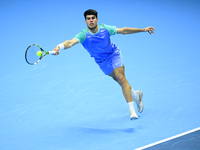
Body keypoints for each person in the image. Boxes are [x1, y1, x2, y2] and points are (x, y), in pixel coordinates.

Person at [52, 9, 155, 120]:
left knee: (121, 78)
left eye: (92, 18)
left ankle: (132, 111)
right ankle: (135, 95)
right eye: (88, 19)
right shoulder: (83, 34)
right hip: (101, 61)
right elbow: (70, 42)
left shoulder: (105, 29)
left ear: (97, 19)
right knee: (119, 81)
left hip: (113, 54)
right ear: (85, 21)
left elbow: (124, 30)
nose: (91, 20)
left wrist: (142, 30)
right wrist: (59, 47)